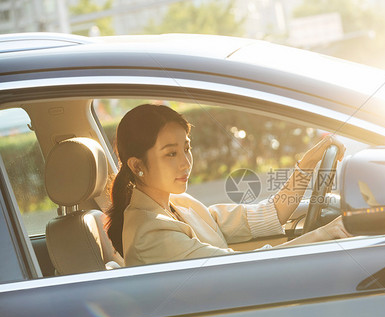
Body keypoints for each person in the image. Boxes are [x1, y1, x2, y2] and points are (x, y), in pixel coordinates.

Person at [106, 104, 351, 266]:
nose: (185, 163)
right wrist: (324, 233)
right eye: (171, 154)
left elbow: (268, 214)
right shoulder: (150, 234)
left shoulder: (180, 204)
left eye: (187, 148)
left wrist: (307, 165)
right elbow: (239, 269)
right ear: (138, 165)